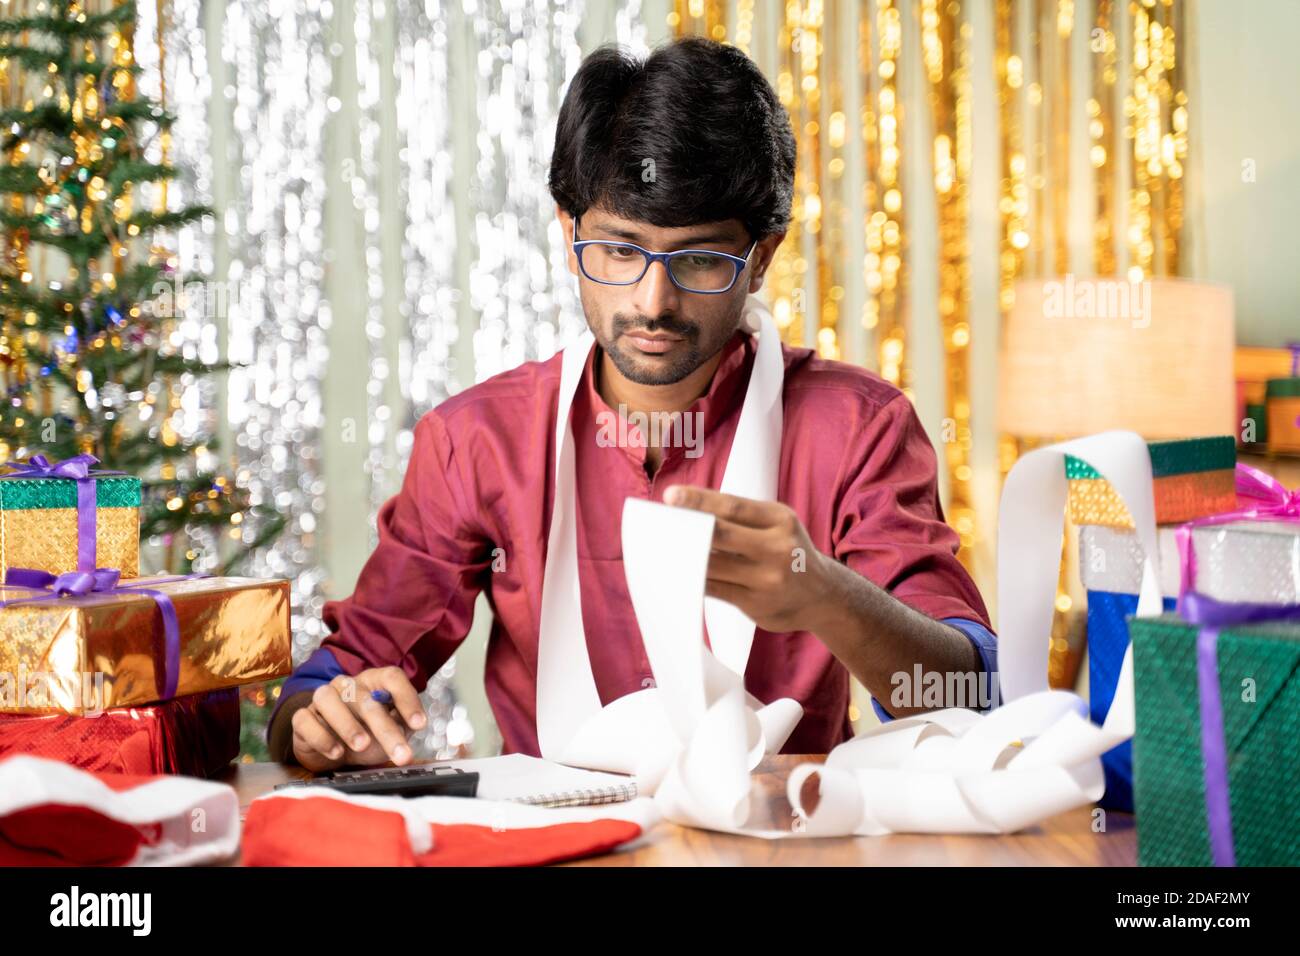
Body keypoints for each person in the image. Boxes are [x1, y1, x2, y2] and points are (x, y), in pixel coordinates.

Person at [267, 37, 996, 772]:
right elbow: (339, 677)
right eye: (619, 251)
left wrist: (822, 594)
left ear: (764, 256)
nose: (653, 302)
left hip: (783, 844)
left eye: (700, 259)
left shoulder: (858, 429)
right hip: (554, 847)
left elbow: (969, 694)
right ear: (568, 232)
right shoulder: (476, 441)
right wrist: (318, 720)